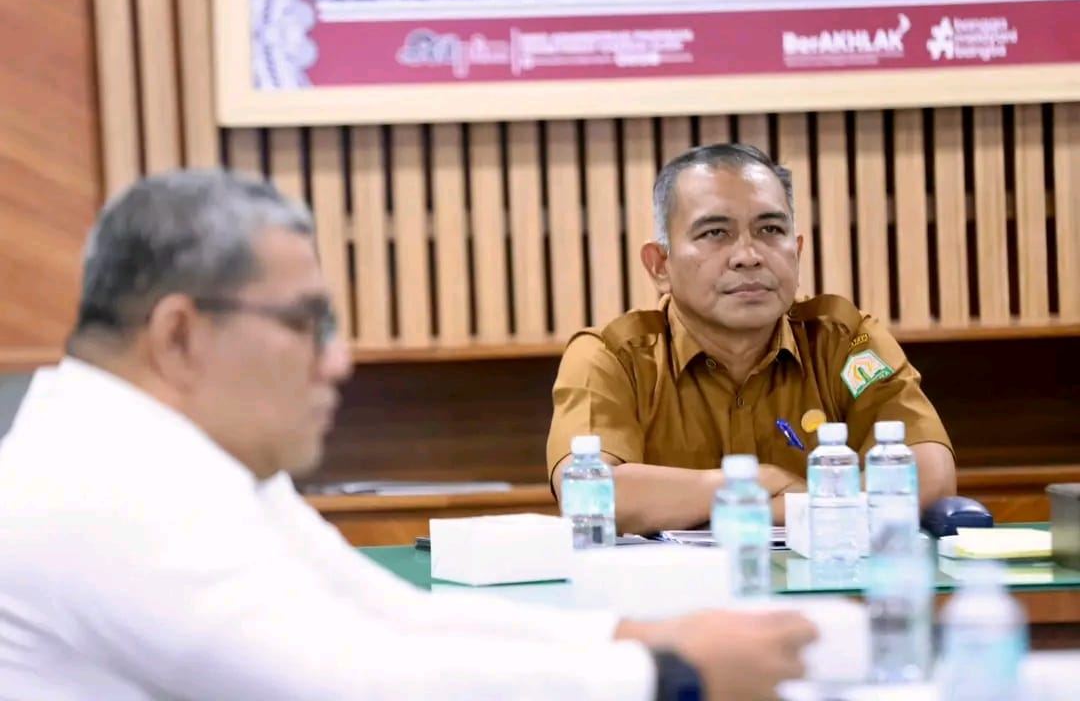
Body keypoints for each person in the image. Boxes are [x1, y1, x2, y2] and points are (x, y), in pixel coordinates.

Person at [0, 169, 816, 701]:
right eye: (306, 324)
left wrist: (637, 634)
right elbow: (348, 682)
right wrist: (667, 674)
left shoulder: (180, 453)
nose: (338, 361)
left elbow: (383, 614)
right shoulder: (101, 486)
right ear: (179, 336)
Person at [546, 143, 956, 536]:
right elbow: (588, 493)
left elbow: (929, 476)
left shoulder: (842, 340)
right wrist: (759, 481)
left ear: (796, 251)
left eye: (770, 229)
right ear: (660, 265)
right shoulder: (612, 357)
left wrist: (759, 507)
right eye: (714, 233)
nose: (748, 255)